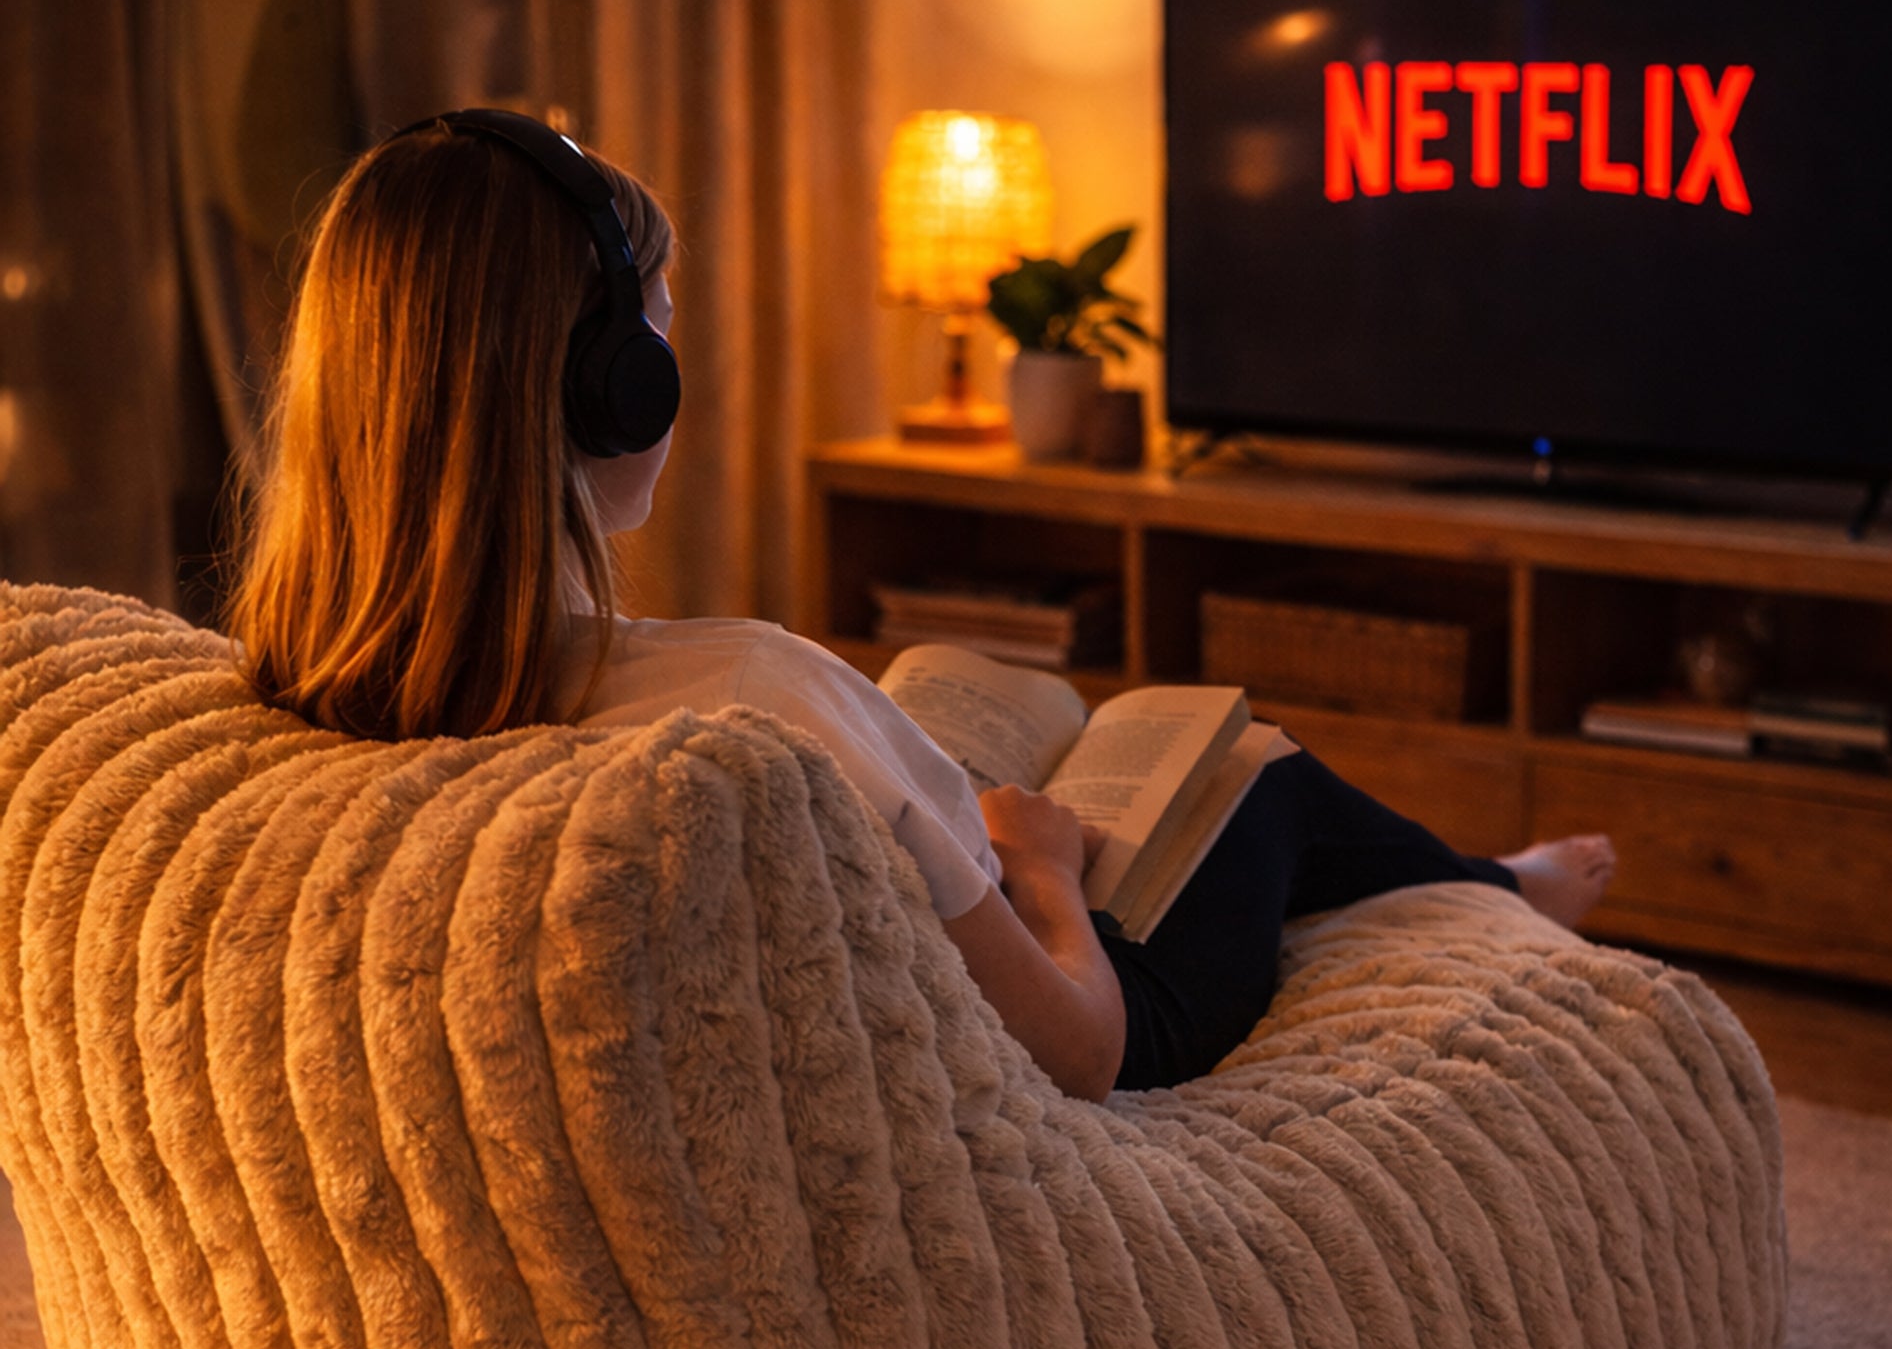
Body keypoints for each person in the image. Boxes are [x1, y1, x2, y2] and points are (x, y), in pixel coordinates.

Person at [229, 111, 1615, 1106]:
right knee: (1254, 769)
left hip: (941, 887)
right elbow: (1081, 1048)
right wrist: (1045, 869)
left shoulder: (303, 674)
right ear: (611, 391)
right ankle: (1503, 889)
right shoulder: (754, 695)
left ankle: (1495, 879)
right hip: (1097, 982)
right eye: (657, 320)